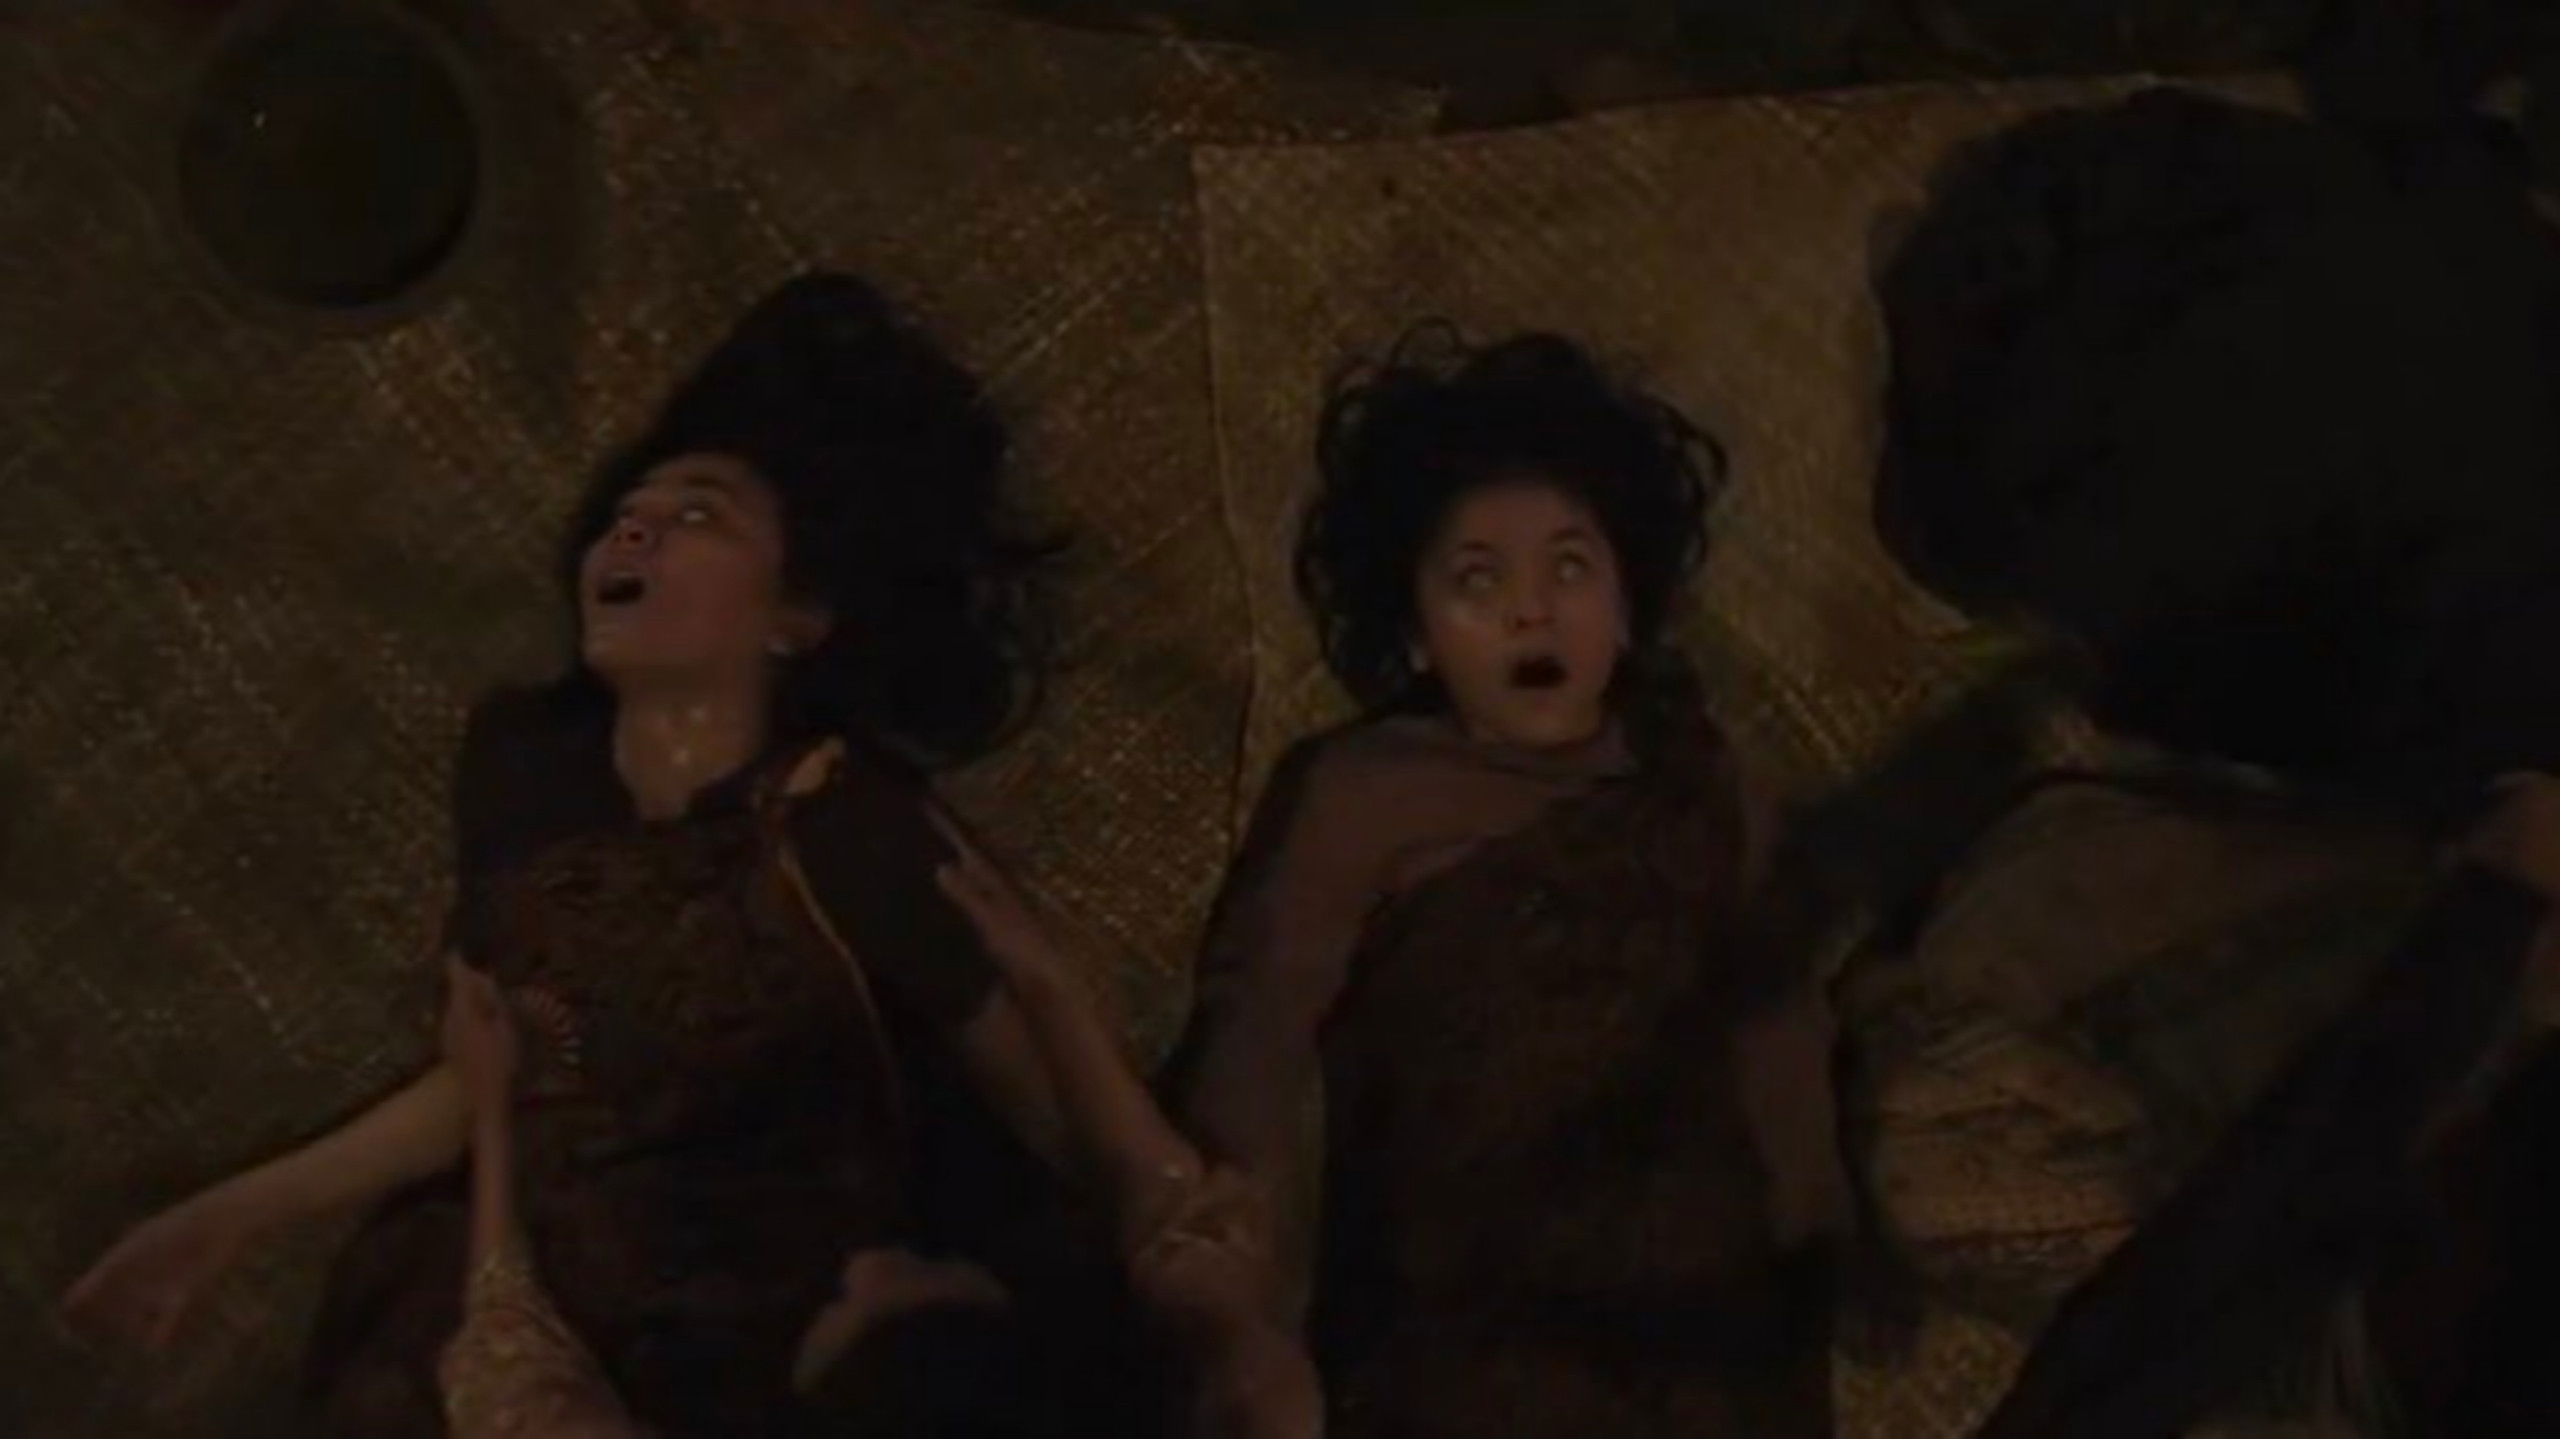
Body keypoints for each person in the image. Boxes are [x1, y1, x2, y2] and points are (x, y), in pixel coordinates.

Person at [56, 274, 1181, 1436]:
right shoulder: (527, 773)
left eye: (700, 515)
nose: (635, 528)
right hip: (537, 1286)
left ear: (796, 617)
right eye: (628, 512)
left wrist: (1151, 1248)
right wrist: (230, 1215)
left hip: (775, 1334)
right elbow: (508, 1061)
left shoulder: (845, 822)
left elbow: (1048, 1102)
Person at [1159, 326, 1853, 1436]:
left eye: (1569, 569)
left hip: (1697, 1302)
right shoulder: (1364, 790)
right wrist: (1235, 1284)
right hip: (1470, 1295)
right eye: (1478, 580)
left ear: (1625, 609)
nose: (1532, 609)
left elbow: (1781, 1031)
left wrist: (1819, 1255)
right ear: (1418, 635)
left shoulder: (1709, 783)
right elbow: (1260, 1019)